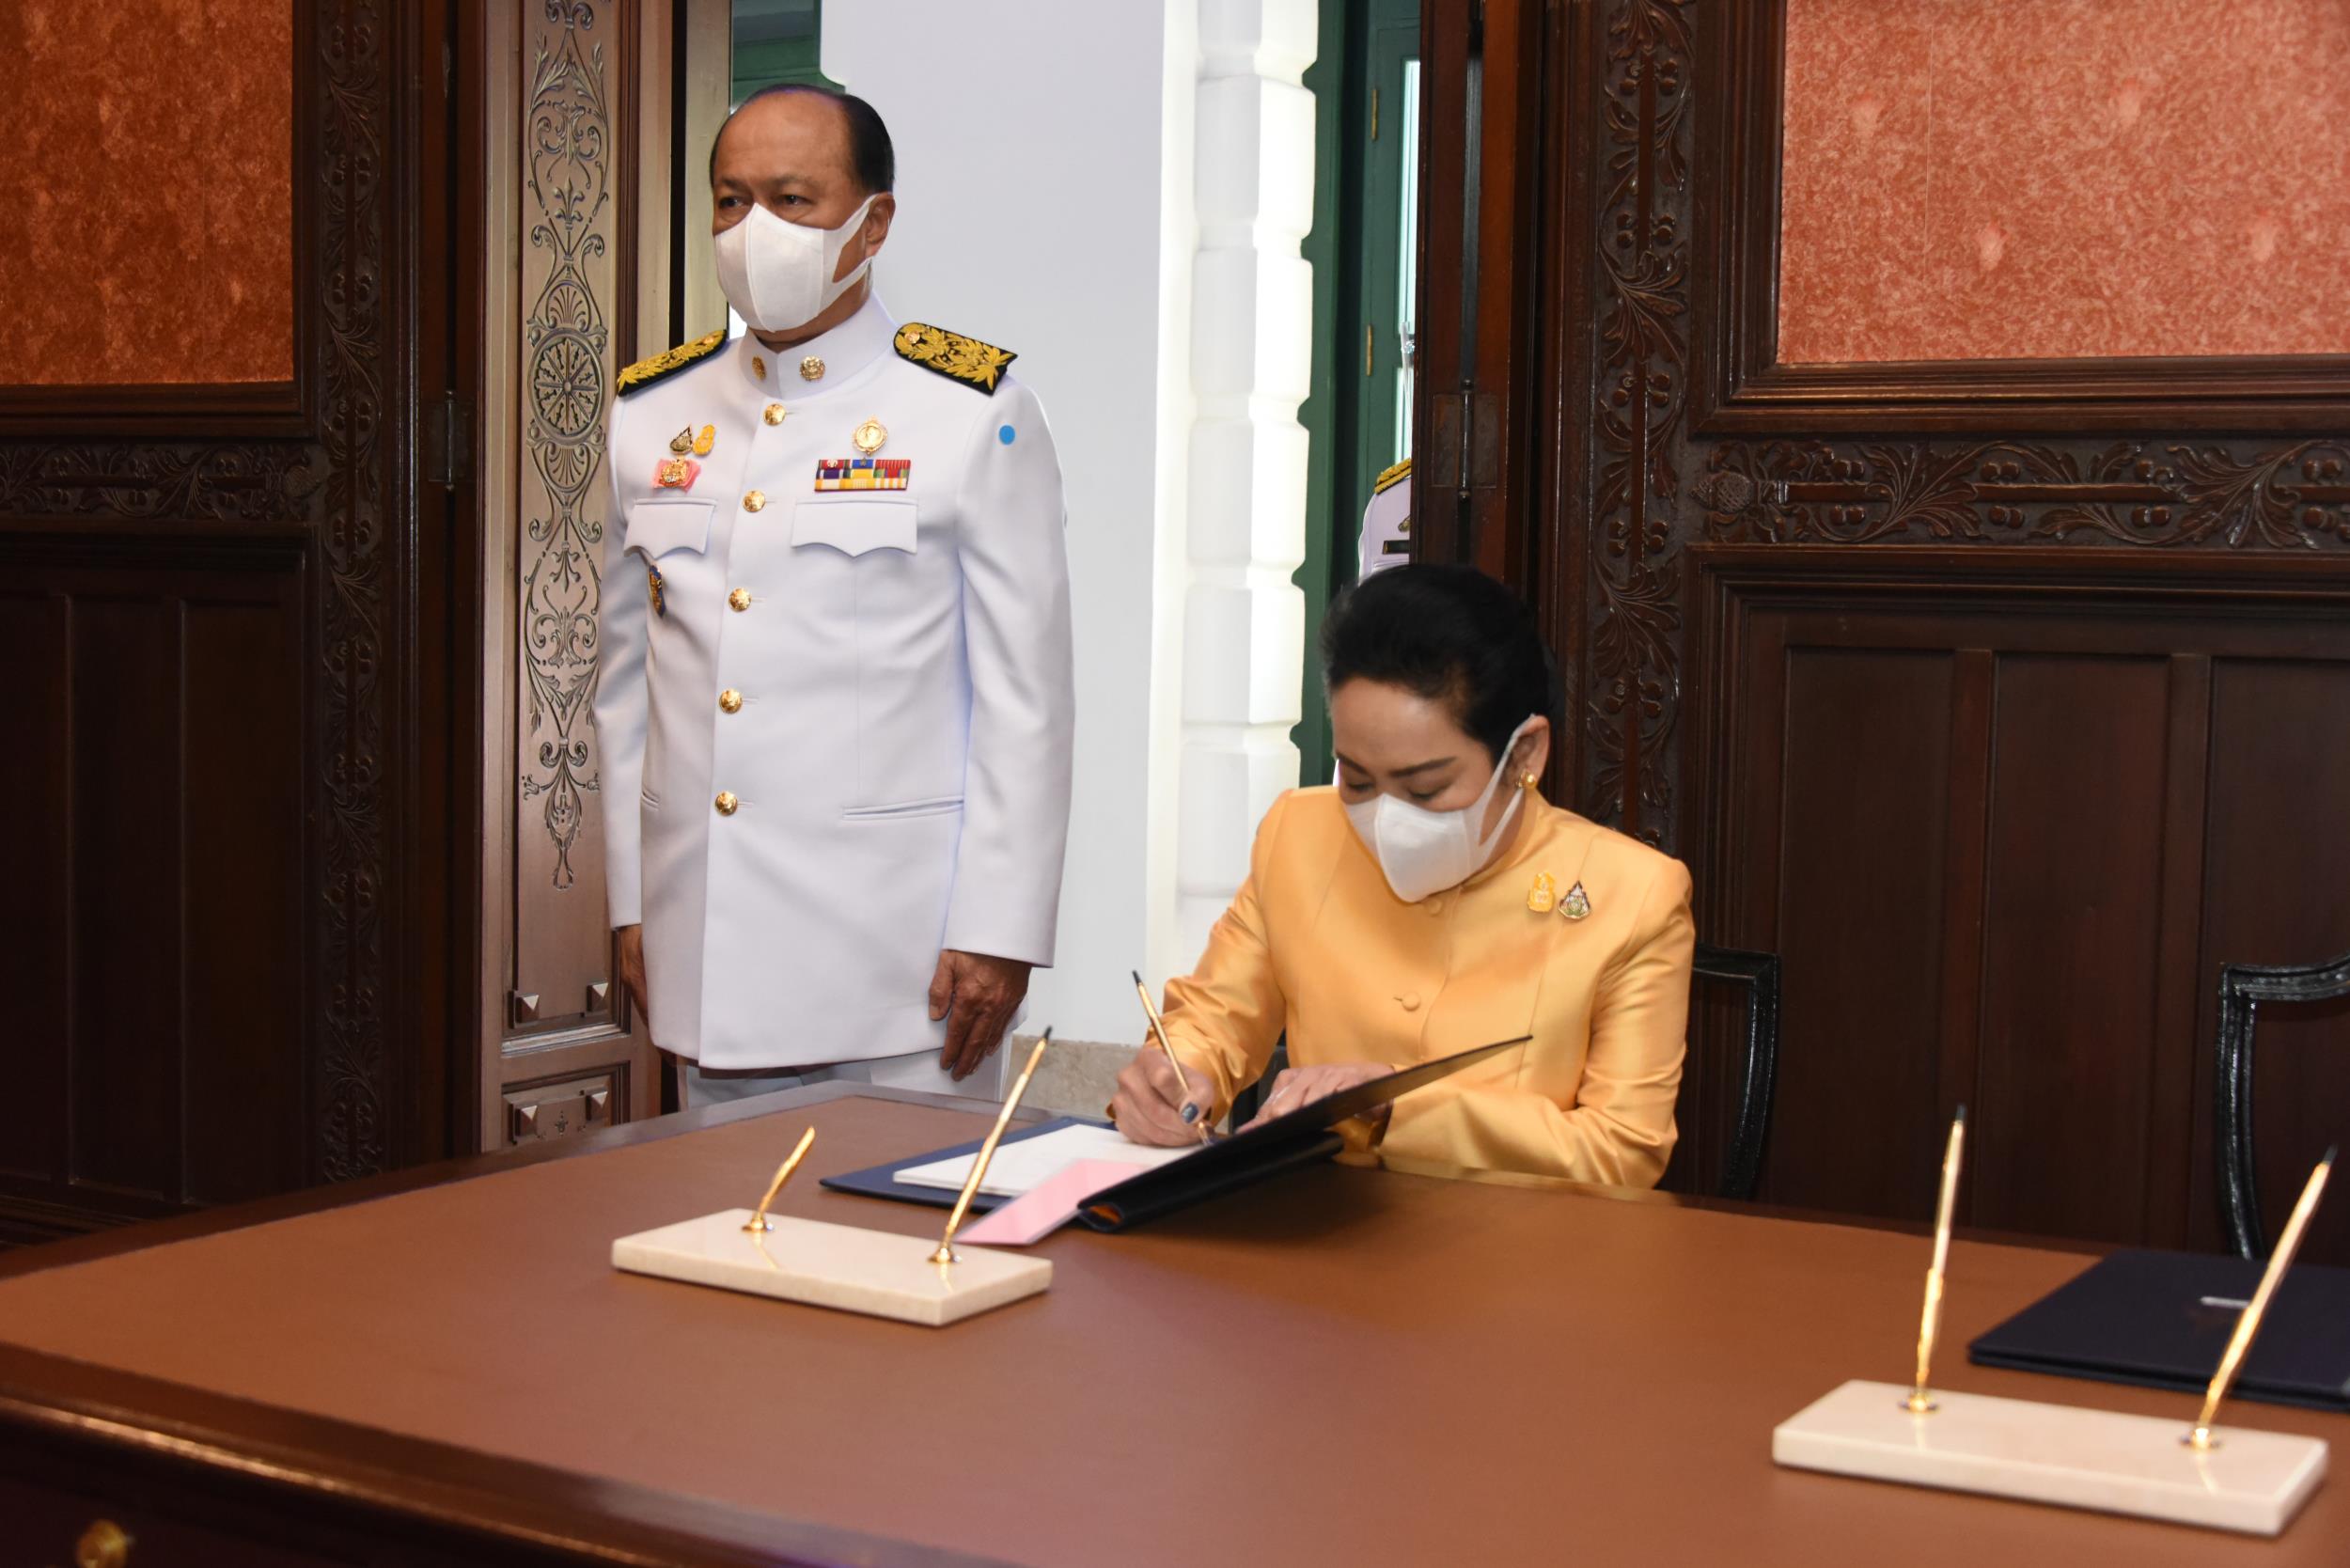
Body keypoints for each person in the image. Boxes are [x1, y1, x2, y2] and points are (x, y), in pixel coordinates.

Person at [594, 86, 1074, 1106]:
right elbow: (626, 687)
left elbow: (1025, 702)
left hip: (902, 967)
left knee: (905, 1209)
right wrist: (635, 904)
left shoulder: (968, 413)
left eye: (792, 200)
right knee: (714, 1207)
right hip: (707, 947)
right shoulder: (652, 414)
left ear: (873, 222)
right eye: (732, 200)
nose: (754, 228)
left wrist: (1000, 929)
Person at [1108, 565, 1692, 1185]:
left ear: (1524, 754)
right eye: (1358, 780)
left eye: (1425, 787)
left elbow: (1624, 1151)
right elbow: (1219, 1015)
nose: (1386, 818)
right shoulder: (1297, 835)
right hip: (1322, 1223)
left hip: (1517, 1236)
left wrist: (1395, 1105)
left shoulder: (1633, 895)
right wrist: (1177, 1072)